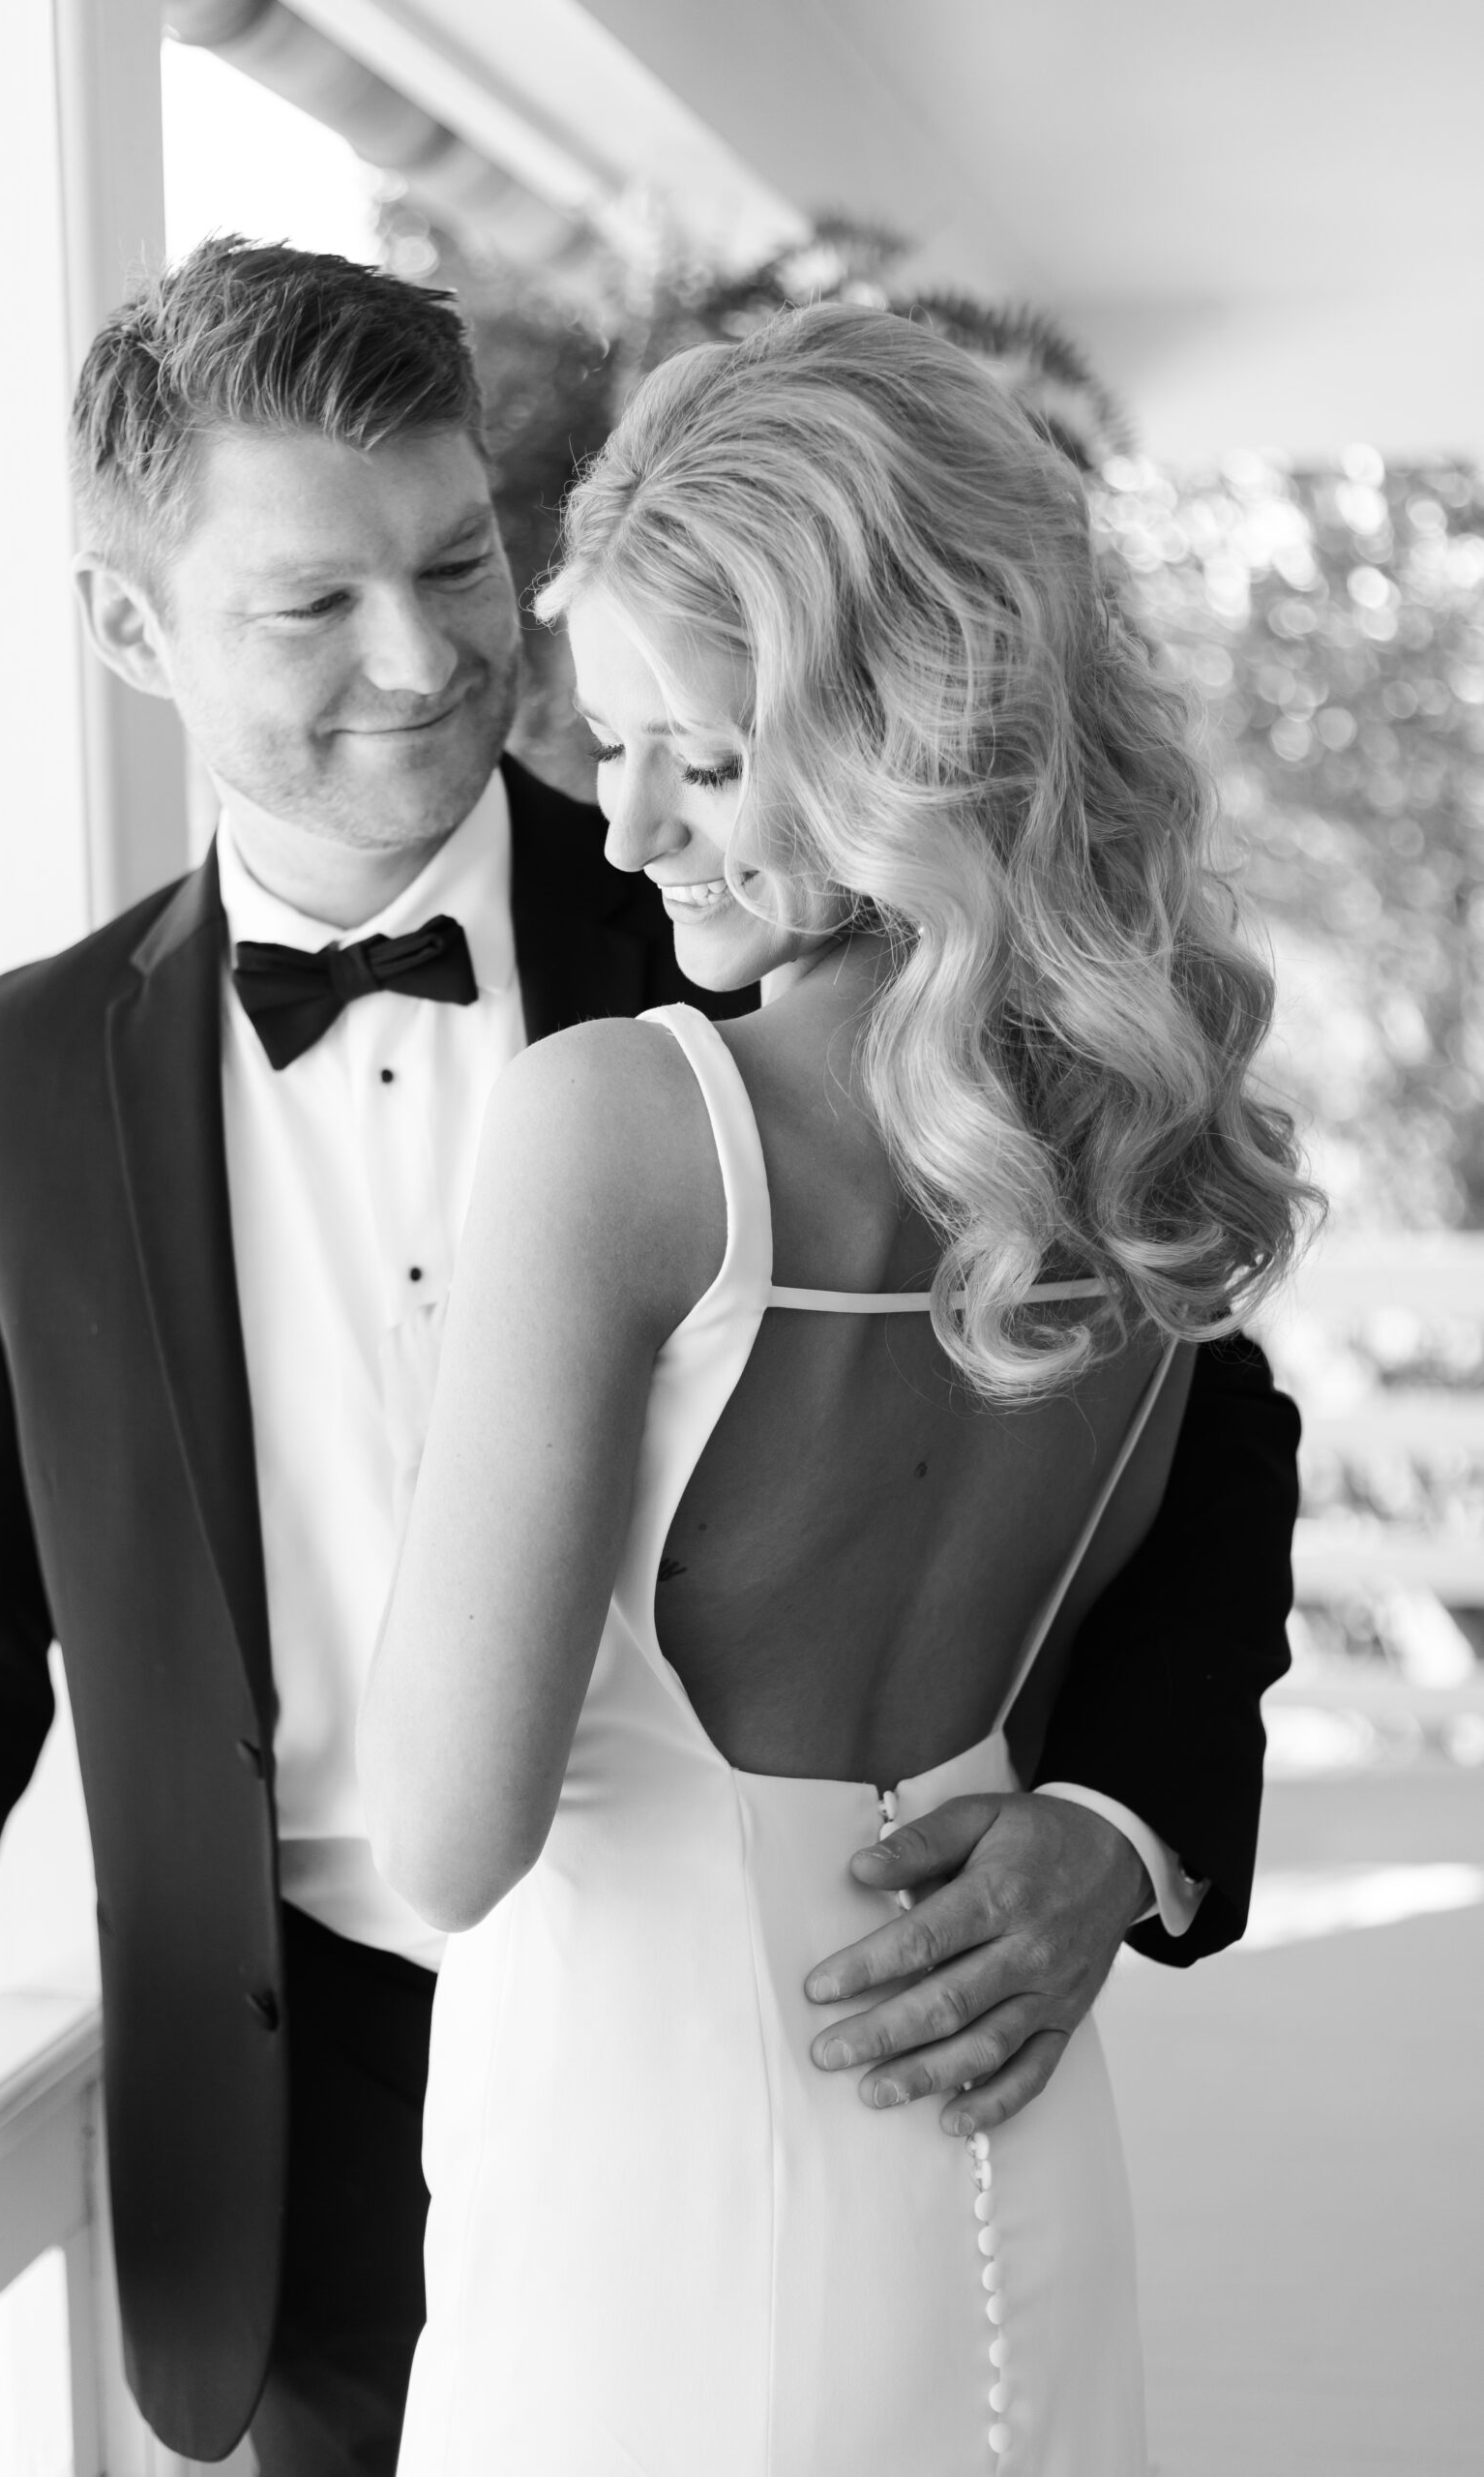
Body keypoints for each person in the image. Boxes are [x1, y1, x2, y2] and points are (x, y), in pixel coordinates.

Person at [0, 247, 1296, 2474]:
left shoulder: (745, 916)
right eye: (309, 605)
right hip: (294, 2138)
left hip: (779, 2032)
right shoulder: (25, 1068)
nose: (423, 663)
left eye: (452, 563)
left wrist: (1123, 1819)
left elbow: (1200, 1427)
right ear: (133, 631)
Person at [363, 304, 1313, 2473]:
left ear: (903, 724)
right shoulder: (1143, 1150)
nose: (619, 835)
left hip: (650, 2212)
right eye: (599, 745)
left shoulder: (611, 1129)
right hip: (1001, 2166)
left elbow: (441, 1830)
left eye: (694, 757)